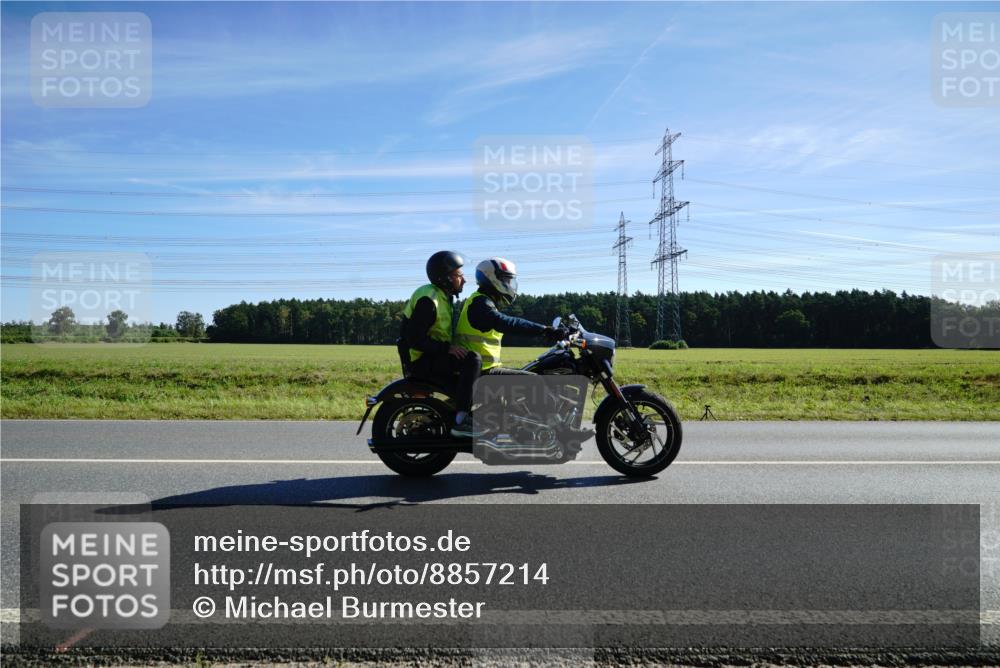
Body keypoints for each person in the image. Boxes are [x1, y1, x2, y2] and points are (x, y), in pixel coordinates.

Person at [451, 257, 566, 437]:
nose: (509, 284)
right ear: (491, 278)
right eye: (505, 279)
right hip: (481, 373)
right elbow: (507, 323)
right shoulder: (480, 304)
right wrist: (544, 330)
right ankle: (553, 431)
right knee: (534, 382)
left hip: (485, 370)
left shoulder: (484, 303)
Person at [399, 251, 481, 431]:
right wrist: (447, 349)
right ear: (445, 278)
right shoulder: (429, 299)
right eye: (459, 275)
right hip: (420, 361)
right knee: (473, 359)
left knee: (467, 391)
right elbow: (414, 339)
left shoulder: (442, 297)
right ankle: (461, 421)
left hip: (431, 357)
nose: (464, 280)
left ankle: (455, 419)